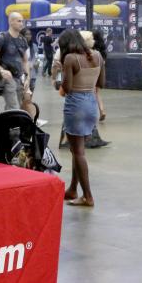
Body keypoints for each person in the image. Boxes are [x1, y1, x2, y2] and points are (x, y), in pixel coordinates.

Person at [58, 29, 104, 207]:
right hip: (91, 105)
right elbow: (101, 83)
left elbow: (67, 88)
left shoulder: (70, 59)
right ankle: (72, 189)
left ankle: (87, 196)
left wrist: (59, 80)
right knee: (78, 150)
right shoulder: (98, 56)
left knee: (78, 151)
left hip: (75, 105)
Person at [0, 12, 29, 111]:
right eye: (19, 21)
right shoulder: (2, 38)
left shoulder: (23, 40)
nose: (21, 24)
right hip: (7, 79)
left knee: (15, 106)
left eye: (22, 21)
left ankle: (6, 125)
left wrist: (27, 77)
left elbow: (25, 60)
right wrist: (2, 70)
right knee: (14, 107)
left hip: (19, 79)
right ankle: (13, 126)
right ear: (11, 22)